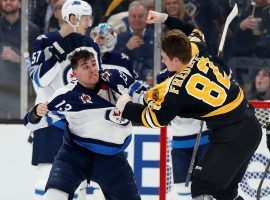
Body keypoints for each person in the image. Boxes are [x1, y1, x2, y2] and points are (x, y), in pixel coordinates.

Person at [116, 10, 262, 200]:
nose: (162, 60)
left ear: (176, 60)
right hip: (249, 127)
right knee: (225, 193)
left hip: (232, 135)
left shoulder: (177, 90)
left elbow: (155, 118)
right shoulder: (194, 49)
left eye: (165, 58)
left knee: (202, 187)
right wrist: (165, 19)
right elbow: (192, 30)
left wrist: (125, 107)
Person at [24, 49, 142, 200]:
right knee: (53, 197)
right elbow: (30, 123)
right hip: (75, 156)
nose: (92, 69)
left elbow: (143, 95)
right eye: (85, 67)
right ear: (74, 73)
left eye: (93, 64)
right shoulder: (67, 95)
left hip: (113, 161)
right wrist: (35, 113)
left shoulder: (115, 77)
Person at [28, 0, 98, 199]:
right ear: (73, 18)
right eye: (85, 18)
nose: (89, 23)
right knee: (46, 177)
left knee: (80, 183)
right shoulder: (45, 41)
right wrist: (58, 52)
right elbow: (39, 80)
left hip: (80, 122)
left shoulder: (89, 44)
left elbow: (96, 83)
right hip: (50, 119)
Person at [157, 69, 209, 200]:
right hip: (180, 141)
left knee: (209, 186)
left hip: (205, 138)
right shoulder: (162, 77)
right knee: (182, 187)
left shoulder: (200, 70)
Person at [0, 0, 40, 119]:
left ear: (20, 3)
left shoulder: (32, 30)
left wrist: (19, 58)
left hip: (19, 91)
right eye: (4, 0)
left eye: (12, 0)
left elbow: (37, 63)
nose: (8, 2)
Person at [114, 1, 154, 82]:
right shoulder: (119, 37)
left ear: (147, 17)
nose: (137, 19)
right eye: (134, 16)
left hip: (151, 81)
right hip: (126, 81)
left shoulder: (155, 36)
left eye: (140, 16)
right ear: (128, 18)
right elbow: (114, 62)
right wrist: (127, 48)